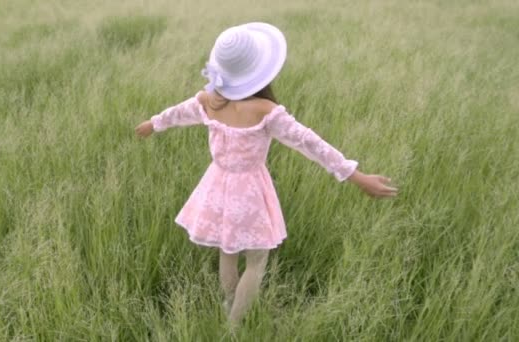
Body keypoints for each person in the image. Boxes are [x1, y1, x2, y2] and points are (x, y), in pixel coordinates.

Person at [134, 22, 397, 326]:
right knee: (257, 261)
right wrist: (356, 175)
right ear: (260, 72)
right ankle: (233, 327)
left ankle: (229, 306)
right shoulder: (265, 110)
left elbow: (177, 113)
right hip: (250, 190)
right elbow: (310, 142)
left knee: (228, 251)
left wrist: (154, 124)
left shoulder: (209, 100)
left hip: (217, 184)